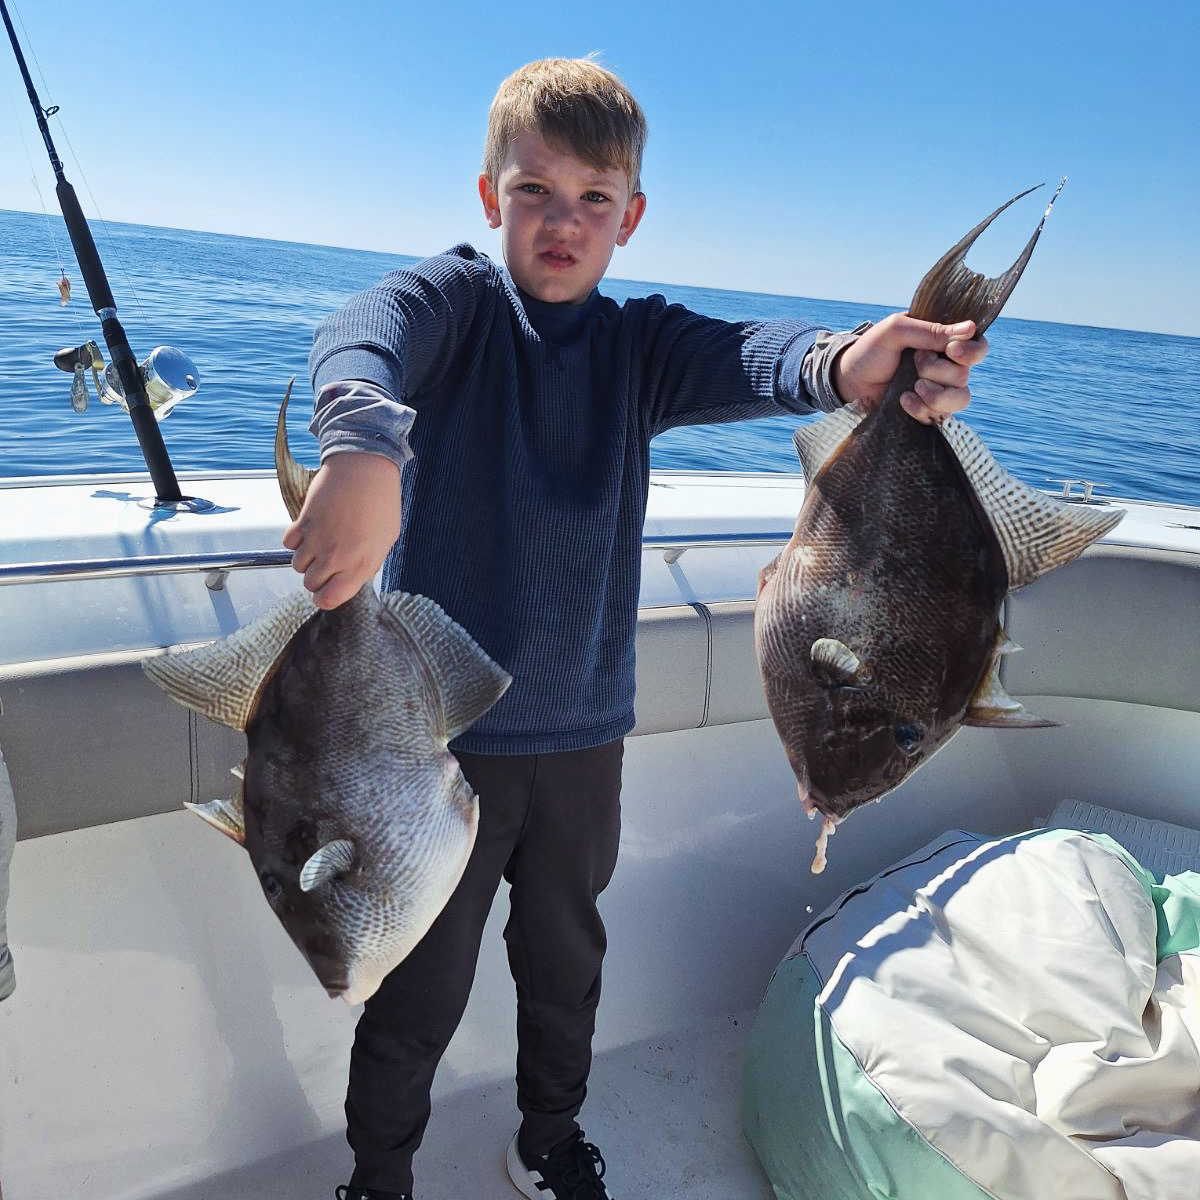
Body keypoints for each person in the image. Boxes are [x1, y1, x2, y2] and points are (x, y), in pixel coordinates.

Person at [286, 56, 988, 1200]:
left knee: (566, 966)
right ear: (487, 197)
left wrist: (853, 364)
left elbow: (764, 358)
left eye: (594, 202)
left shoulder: (638, 346)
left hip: (581, 739)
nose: (563, 224)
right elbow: (368, 323)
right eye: (534, 193)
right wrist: (363, 443)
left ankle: (548, 1137)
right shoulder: (460, 309)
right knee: (420, 987)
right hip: (436, 746)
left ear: (631, 217)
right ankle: (378, 1177)